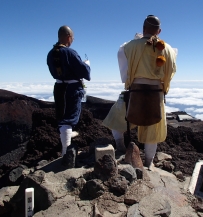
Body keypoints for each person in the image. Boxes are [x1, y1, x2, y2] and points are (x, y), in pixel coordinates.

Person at [103, 15, 177, 169]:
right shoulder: (169, 49)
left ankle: (120, 145)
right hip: (156, 95)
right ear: (159, 31)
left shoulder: (129, 46)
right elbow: (170, 73)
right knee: (153, 130)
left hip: (134, 92)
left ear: (143, 29)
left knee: (115, 118)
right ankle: (149, 163)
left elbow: (123, 67)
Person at [47, 25, 91, 163]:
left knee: (62, 115)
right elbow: (82, 70)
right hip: (71, 88)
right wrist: (87, 64)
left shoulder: (51, 53)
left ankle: (66, 140)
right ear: (68, 37)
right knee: (69, 118)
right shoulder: (70, 52)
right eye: (72, 37)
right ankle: (66, 153)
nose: (72, 40)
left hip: (59, 87)